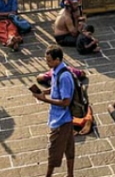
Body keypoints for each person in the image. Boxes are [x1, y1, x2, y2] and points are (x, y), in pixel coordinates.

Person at [36, 46, 76, 177]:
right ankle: (70, 174)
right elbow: (56, 88)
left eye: (49, 60)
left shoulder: (64, 76)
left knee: (53, 151)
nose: (47, 63)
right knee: (69, 147)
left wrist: (45, 100)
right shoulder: (56, 71)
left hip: (61, 119)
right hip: (65, 119)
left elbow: (66, 102)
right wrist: (46, 92)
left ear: (57, 60)